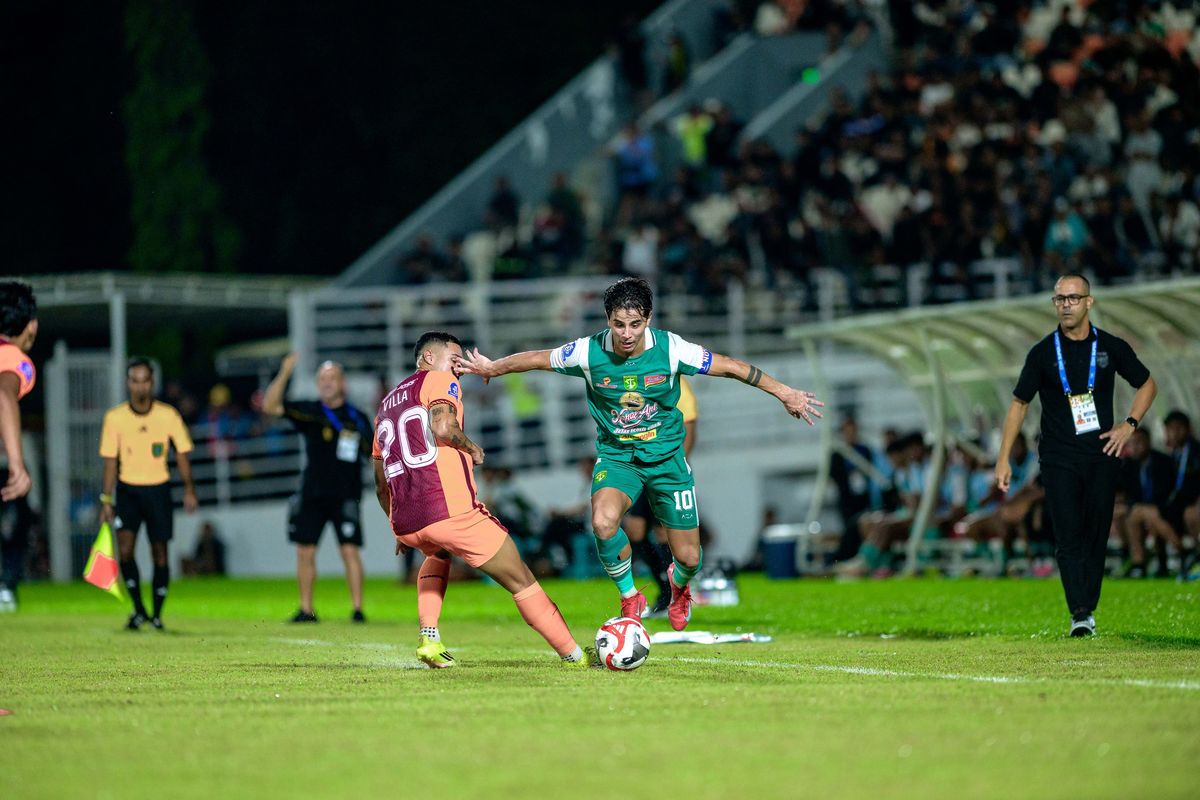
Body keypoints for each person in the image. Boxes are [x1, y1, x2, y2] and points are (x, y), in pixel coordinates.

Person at [457, 277, 824, 631]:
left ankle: (679, 587)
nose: (627, 333)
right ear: (608, 321)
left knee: (690, 558)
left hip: (668, 462)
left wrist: (784, 392)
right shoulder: (588, 351)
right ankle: (630, 596)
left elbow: (730, 366)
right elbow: (539, 358)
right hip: (619, 459)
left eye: (635, 324)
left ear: (648, 320)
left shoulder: (672, 349)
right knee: (602, 522)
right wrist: (493, 367)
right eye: (619, 324)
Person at [373, 331, 595, 669]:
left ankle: (429, 638)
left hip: (408, 521)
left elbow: (380, 483)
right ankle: (575, 656)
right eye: (455, 358)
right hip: (450, 510)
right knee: (521, 579)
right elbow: (444, 426)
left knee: (439, 553)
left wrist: (397, 526)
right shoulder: (438, 379)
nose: (459, 367)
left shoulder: (386, 406)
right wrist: (472, 447)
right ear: (429, 359)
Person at [996, 274, 1156, 637]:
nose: (1066, 305)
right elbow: (1019, 403)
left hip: (1102, 454)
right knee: (1067, 534)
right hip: (1058, 458)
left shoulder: (1111, 347)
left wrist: (1129, 424)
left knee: (1095, 533)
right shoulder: (1042, 353)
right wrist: (1003, 457)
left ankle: (1089, 606)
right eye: (1059, 299)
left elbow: (1147, 383)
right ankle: (1080, 613)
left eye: (1073, 298)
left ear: (1089, 302)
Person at [263, 353, 373, 623]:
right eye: (322, 379)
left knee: (349, 550)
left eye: (332, 378)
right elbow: (271, 407)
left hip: (346, 494)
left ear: (342, 383)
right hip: (312, 493)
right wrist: (284, 372)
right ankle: (306, 609)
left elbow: (373, 455)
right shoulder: (310, 411)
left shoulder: (357, 418)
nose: (327, 383)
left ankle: (357, 609)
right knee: (305, 551)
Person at [99, 358, 199, 630]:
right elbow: (110, 461)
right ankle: (139, 609)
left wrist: (189, 490)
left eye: (145, 380)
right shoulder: (115, 418)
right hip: (128, 490)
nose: (140, 386)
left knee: (160, 553)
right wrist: (106, 499)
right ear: (128, 383)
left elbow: (182, 454)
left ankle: (156, 614)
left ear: (152, 383)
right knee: (126, 551)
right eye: (135, 380)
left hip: (158, 489)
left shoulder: (168, 415)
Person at [625, 374, 697, 616]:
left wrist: (675, 468)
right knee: (635, 529)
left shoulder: (676, 383)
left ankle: (675, 594)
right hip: (642, 468)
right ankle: (665, 587)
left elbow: (689, 426)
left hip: (666, 471)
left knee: (664, 532)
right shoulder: (639, 382)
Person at [0, 281, 38, 610]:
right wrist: (16, 462)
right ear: (32, 325)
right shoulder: (15, 359)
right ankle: (7, 587)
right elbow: (3, 395)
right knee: (19, 522)